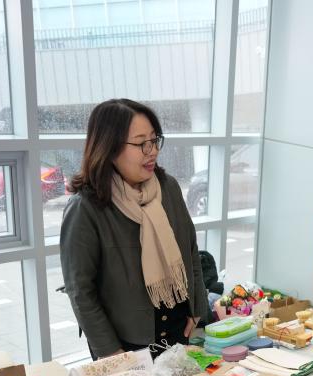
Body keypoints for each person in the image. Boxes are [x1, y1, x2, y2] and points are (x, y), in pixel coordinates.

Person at [61, 99, 207, 359]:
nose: (152, 151)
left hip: (177, 329)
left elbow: (191, 249)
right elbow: (80, 290)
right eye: (141, 143)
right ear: (110, 146)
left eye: (155, 140)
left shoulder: (168, 188)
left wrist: (197, 307)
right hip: (125, 345)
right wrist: (111, 351)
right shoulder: (86, 207)